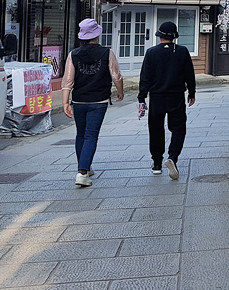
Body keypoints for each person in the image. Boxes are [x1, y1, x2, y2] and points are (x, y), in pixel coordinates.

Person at [61, 18, 124, 187]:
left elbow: (68, 80)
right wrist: (120, 91)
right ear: (97, 34)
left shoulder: (73, 54)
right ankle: (82, 173)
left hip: (79, 100)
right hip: (99, 100)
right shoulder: (107, 53)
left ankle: (85, 166)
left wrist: (65, 102)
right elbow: (116, 75)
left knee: (81, 134)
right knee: (91, 135)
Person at [138, 21, 195, 179]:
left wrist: (142, 97)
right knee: (178, 128)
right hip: (176, 95)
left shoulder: (151, 52)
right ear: (174, 37)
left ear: (160, 36)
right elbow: (189, 74)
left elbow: (145, 77)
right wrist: (192, 92)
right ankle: (173, 157)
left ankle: (157, 163)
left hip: (157, 96)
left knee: (156, 129)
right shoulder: (182, 51)